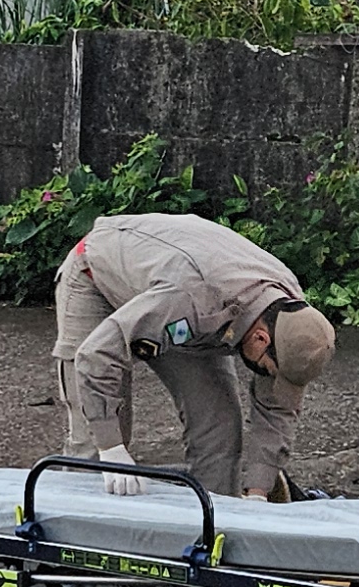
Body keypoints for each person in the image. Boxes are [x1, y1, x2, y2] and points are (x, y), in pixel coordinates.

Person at [52, 213, 341, 499]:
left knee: (220, 430)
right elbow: (96, 355)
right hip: (98, 278)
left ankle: (214, 527)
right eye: (268, 368)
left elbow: (277, 408)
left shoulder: (290, 316)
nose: (268, 376)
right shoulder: (193, 296)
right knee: (96, 446)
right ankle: (79, 536)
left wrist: (257, 493)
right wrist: (111, 448)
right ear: (261, 338)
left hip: (190, 309)